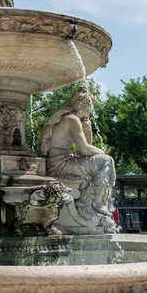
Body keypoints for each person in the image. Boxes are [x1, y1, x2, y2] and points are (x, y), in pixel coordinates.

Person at [39, 90, 116, 223]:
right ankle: (97, 203)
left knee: (102, 161)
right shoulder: (72, 120)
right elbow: (85, 149)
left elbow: (83, 152)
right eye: (91, 107)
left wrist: (88, 130)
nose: (91, 111)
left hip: (58, 161)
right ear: (84, 106)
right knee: (106, 161)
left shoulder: (68, 118)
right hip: (60, 164)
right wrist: (103, 153)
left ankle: (94, 201)